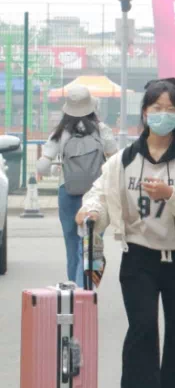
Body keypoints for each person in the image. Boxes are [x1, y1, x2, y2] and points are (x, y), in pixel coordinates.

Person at [75, 77, 175, 388]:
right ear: (144, 112)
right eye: (157, 108)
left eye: (171, 109)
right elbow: (101, 193)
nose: (163, 115)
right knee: (142, 325)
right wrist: (91, 211)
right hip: (139, 254)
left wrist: (171, 193)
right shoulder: (125, 159)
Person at [36, 84, 117, 286]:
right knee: (92, 245)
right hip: (97, 196)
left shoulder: (60, 133)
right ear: (91, 107)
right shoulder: (101, 130)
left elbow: (43, 166)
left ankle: (74, 289)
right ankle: (86, 290)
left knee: (72, 245)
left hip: (68, 192)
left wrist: (54, 169)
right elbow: (115, 161)